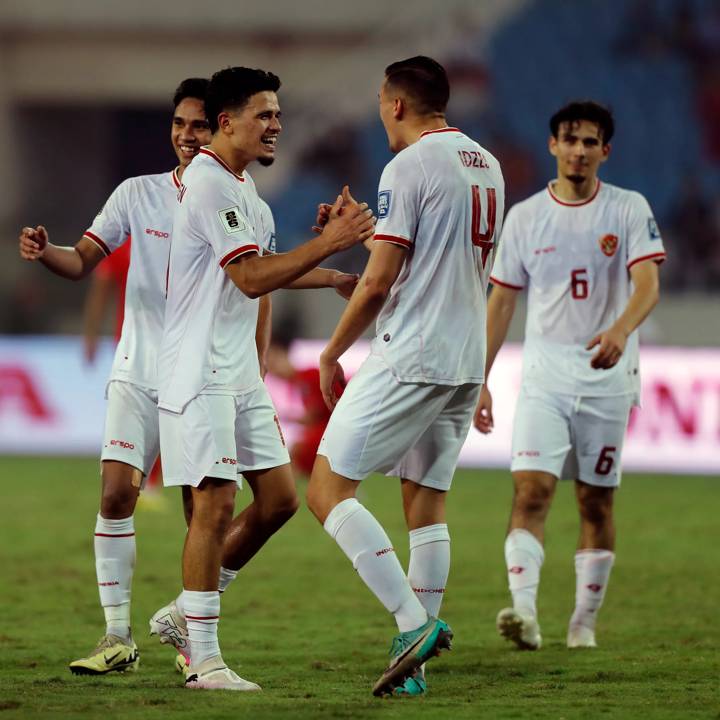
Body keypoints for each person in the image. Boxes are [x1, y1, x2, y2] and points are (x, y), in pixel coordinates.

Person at [155, 65, 374, 692]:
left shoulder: (246, 191)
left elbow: (266, 269)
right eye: (265, 115)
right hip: (199, 369)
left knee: (278, 502)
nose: (276, 124)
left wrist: (329, 275)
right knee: (216, 504)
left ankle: (183, 612)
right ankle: (203, 659)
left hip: (238, 374)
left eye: (278, 114)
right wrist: (330, 244)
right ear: (227, 122)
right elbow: (248, 278)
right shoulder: (207, 185)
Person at [306, 56, 505, 697]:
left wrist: (333, 351)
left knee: (327, 490)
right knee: (426, 505)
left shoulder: (408, 165)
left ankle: (412, 621)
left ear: (395, 104)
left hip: (413, 354)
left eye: (378, 101)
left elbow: (381, 281)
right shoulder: (487, 164)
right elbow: (435, 258)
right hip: (464, 358)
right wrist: (364, 231)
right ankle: (411, 668)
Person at [18, 78, 214, 675]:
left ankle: (195, 642)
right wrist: (47, 250)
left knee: (199, 514)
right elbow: (82, 261)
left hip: (201, 376)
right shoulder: (138, 194)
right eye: (178, 123)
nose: (185, 135)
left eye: (198, 125)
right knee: (115, 493)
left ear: (221, 129)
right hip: (136, 369)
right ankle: (116, 638)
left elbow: (256, 290)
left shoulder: (236, 202)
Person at [473, 100, 665, 651]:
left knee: (594, 503)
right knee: (531, 493)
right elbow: (501, 304)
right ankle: (525, 614)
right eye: (569, 140)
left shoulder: (628, 209)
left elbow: (648, 285)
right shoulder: (526, 217)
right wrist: (481, 378)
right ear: (552, 146)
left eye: (589, 142)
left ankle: (582, 622)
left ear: (605, 151)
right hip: (544, 380)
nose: (578, 150)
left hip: (607, 379)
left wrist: (620, 331)